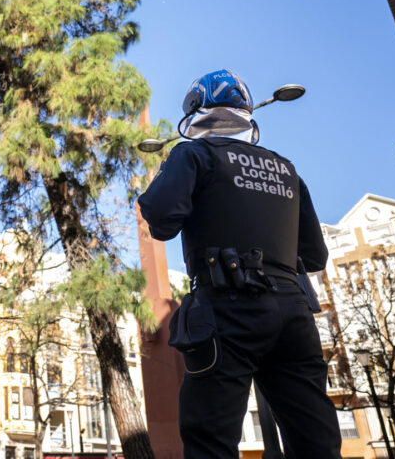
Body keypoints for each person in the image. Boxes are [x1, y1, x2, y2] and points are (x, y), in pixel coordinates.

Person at [138, 70, 341, 459]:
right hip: (294, 315)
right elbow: (315, 256)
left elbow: (161, 219)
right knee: (315, 441)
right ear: (246, 111)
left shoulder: (194, 154)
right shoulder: (287, 169)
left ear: (195, 110)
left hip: (226, 310)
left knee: (210, 439)